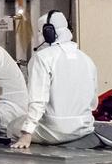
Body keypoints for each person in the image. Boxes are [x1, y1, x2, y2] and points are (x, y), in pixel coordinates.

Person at [11, 10, 98, 150]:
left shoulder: (42, 58)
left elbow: (38, 100)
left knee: (12, 126)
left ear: (48, 33)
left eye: (39, 32)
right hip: (84, 128)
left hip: (56, 131)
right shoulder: (87, 59)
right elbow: (93, 103)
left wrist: (26, 133)